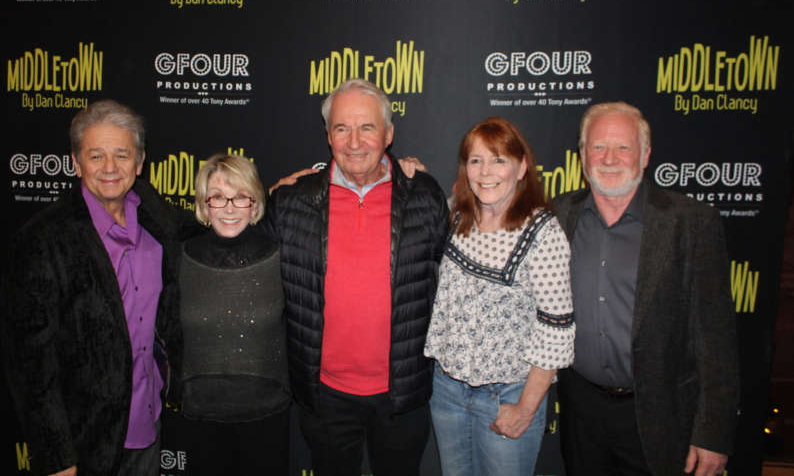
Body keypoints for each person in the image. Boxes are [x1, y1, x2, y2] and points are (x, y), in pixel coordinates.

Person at [263, 78, 449, 476]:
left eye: (367, 127)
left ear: (389, 134)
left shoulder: (424, 196)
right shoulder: (292, 202)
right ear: (328, 136)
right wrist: (267, 194)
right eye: (342, 128)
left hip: (402, 394)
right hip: (325, 395)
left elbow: (446, 274)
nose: (354, 142)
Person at [0, 100, 182, 476]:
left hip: (148, 427)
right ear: (76, 163)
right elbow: (31, 364)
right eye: (96, 156)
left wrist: (264, 199)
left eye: (122, 155)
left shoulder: (156, 216)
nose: (110, 167)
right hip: (86, 444)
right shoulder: (43, 240)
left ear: (140, 162)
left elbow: (212, 225)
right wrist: (58, 457)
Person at [554, 102, 739, 476]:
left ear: (645, 155)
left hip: (661, 416)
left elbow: (716, 338)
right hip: (581, 411)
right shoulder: (558, 214)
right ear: (582, 155)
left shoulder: (690, 222)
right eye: (598, 147)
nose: (609, 159)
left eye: (623, 147)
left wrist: (713, 433)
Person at [424, 117, 575, 476]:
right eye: (476, 160)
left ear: (521, 168)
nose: (485, 172)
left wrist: (525, 408)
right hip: (447, 390)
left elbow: (556, 330)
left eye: (499, 160)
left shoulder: (542, 233)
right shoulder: (456, 214)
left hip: (507, 396)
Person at [174, 153, 290, 474]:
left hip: (267, 417)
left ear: (254, 205)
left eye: (240, 196)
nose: (228, 208)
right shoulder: (178, 258)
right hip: (201, 417)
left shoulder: (281, 258)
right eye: (217, 197)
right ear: (204, 204)